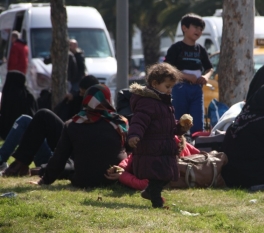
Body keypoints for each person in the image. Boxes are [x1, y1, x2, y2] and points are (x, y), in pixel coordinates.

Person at [27, 84, 128, 188]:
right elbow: (132, 153)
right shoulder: (120, 122)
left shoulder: (73, 124)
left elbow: (59, 157)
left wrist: (45, 180)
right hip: (115, 179)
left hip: (83, 181)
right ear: (107, 99)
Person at [0, 75, 100, 174]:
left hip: (61, 159)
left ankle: (18, 165)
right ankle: (6, 160)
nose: (81, 96)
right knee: (25, 120)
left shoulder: (100, 119)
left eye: (83, 94)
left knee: (43, 115)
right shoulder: (79, 102)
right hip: (56, 151)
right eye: (80, 93)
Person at [127, 63, 191, 208]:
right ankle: (157, 203)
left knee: (166, 175)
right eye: (167, 86)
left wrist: (180, 127)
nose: (170, 91)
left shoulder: (164, 103)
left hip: (163, 147)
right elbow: (139, 121)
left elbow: (167, 126)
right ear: (155, 84)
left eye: (171, 87)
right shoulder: (147, 102)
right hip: (152, 147)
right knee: (157, 177)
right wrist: (134, 135)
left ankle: (149, 192)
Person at [164, 13, 213, 134]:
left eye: (201, 29)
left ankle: (196, 148)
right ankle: (179, 147)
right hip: (179, 88)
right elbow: (167, 68)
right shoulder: (176, 48)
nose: (198, 31)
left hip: (196, 89)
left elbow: (209, 68)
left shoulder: (201, 50)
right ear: (184, 28)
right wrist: (186, 76)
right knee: (178, 122)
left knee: (197, 124)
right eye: (195, 27)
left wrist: (205, 77)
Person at [0, 30, 37, 140]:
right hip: (22, 73)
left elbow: (13, 61)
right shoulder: (25, 47)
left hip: (14, 73)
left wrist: (9, 70)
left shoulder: (15, 46)